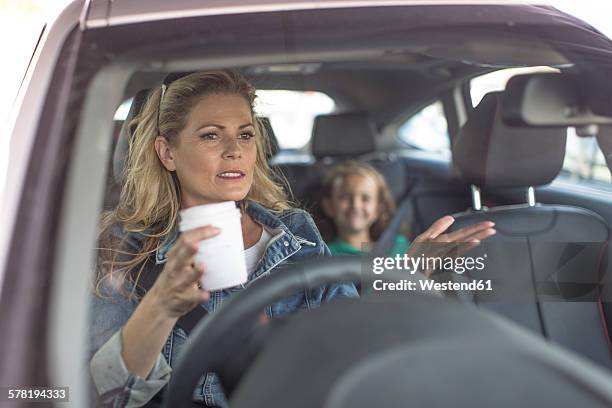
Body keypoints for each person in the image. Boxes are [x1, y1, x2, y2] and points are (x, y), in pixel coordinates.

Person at [89, 70, 495, 408]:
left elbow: (346, 342)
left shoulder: (295, 229)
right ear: (168, 152)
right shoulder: (123, 246)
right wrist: (162, 306)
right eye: (211, 135)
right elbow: (109, 396)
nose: (234, 150)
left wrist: (403, 277)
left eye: (245, 135)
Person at [321, 161, 409, 256]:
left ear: (378, 209)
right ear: (329, 206)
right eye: (345, 197)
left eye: (365, 198)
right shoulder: (323, 254)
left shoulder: (398, 247)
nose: (355, 205)